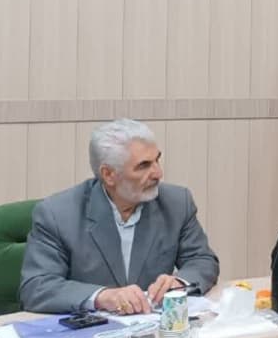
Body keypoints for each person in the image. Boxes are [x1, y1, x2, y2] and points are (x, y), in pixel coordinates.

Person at [19, 119, 220, 315]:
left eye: (157, 160)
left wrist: (179, 283)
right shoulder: (57, 214)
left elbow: (202, 260)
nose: (158, 173)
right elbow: (37, 287)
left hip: (154, 328)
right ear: (108, 175)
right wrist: (103, 297)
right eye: (144, 165)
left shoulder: (176, 203)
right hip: (92, 331)